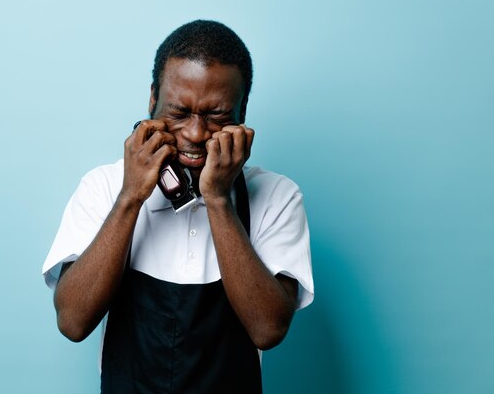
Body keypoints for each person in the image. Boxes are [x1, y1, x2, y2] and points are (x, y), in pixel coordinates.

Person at [42, 20, 314, 394]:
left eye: (216, 115)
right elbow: (72, 322)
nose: (196, 133)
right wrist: (130, 198)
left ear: (242, 110)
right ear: (152, 100)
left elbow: (268, 330)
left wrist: (219, 199)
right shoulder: (103, 187)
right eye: (179, 112)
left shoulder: (277, 196)